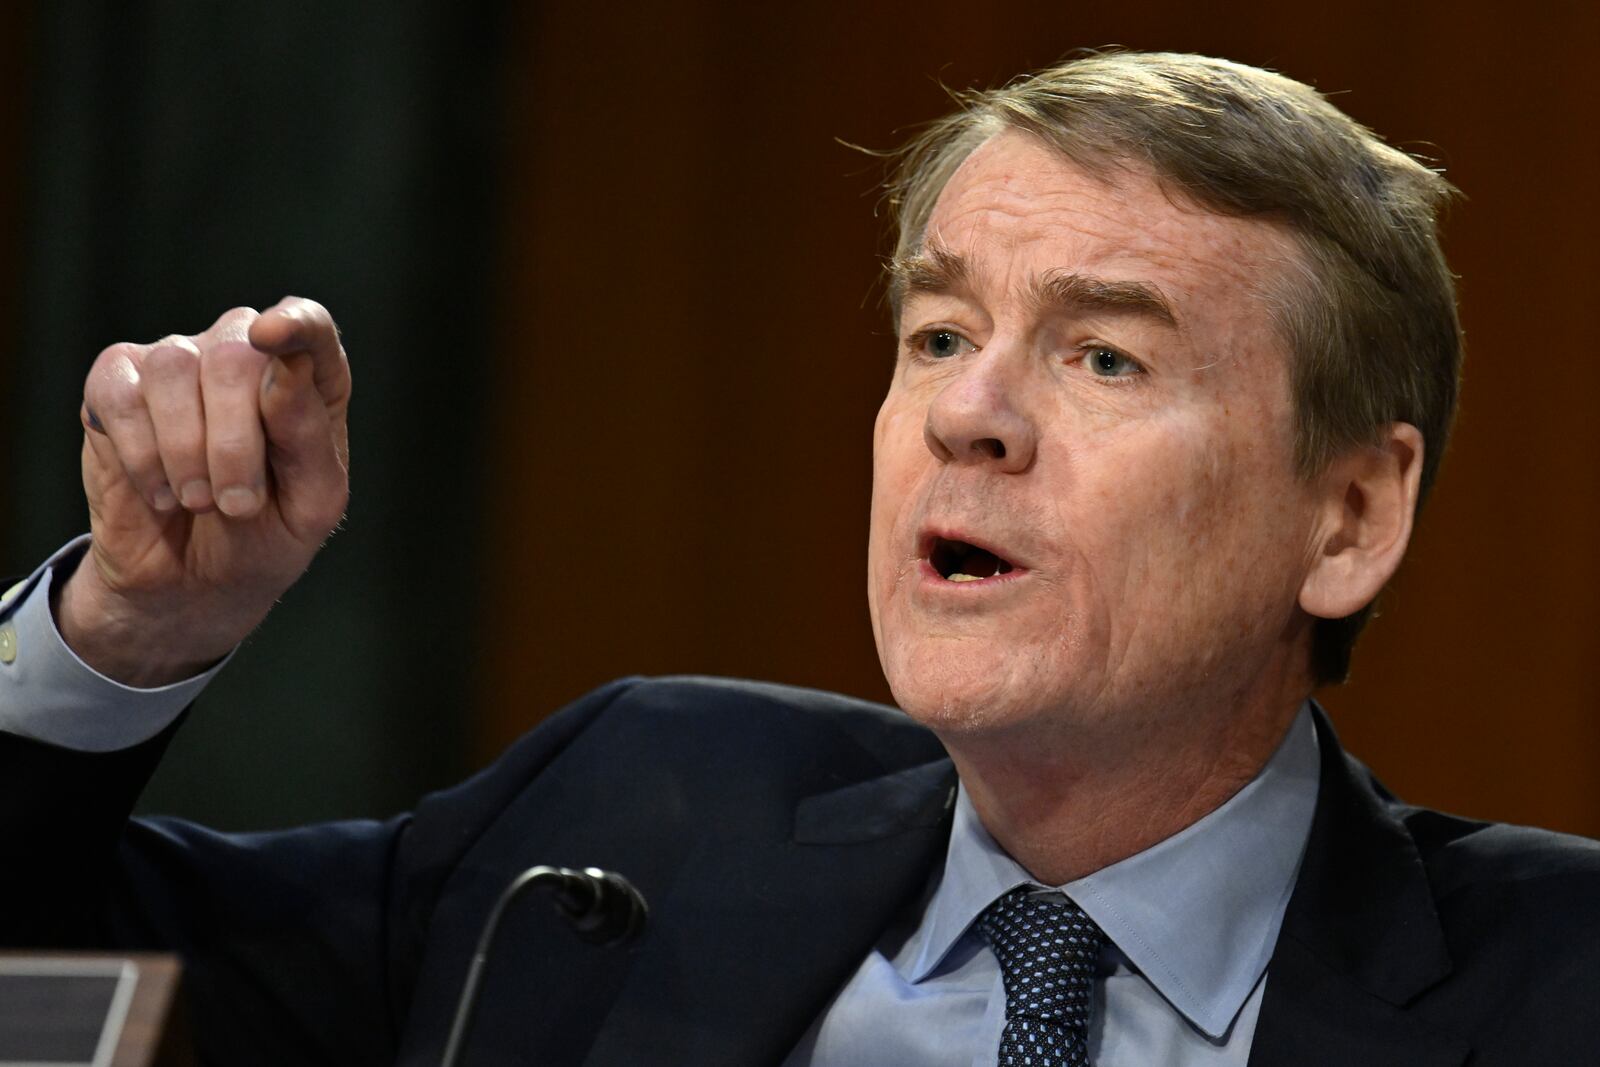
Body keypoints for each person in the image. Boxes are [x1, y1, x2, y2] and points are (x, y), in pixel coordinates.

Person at [2, 51, 1596, 1067]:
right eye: (939, 331)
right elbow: (47, 972)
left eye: (1104, 358)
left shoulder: (1555, 984)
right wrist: (135, 623)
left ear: (1351, 519)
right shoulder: (626, 829)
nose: (967, 415)